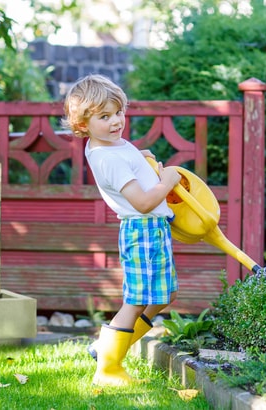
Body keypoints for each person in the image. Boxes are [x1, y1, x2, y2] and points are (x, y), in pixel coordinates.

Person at [62, 74, 181, 386]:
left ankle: (107, 348)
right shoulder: (107, 157)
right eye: (104, 117)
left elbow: (128, 166)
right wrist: (167, 181)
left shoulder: (110, 145)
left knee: (165, 294)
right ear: (83, 124)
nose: (116, 122)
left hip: (154, 228)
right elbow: (142, 202)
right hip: (142, 229)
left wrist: (142, 160)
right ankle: (109, 368)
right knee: (137, 300)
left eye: (118, 112)